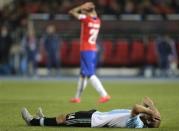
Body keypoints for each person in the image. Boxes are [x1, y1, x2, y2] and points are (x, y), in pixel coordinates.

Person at [21, 97, 161, 128]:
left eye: (149, 116)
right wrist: (152, 108)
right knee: (66, 117)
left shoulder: (136, 123)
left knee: (64, 119)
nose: (148, 114)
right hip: (96, 114)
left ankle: (33, 122)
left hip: (93, 121)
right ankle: (43, 119)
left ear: (148, 120)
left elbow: (137, 107)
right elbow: (144, 105)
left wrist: (151, 108)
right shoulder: (141, 120)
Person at [68, 2, 110, 103]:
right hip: (92, 49)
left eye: (84, 11)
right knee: (83, 74)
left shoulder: (86, 20)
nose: (82, 12)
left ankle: (104, 94)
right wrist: (90, 8)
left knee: (90, 74)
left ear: (87, 12)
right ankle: (77, 97)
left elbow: (72, 12)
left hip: (86, 50)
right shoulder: (98, 21)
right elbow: (93, 14)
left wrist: (80, 7)